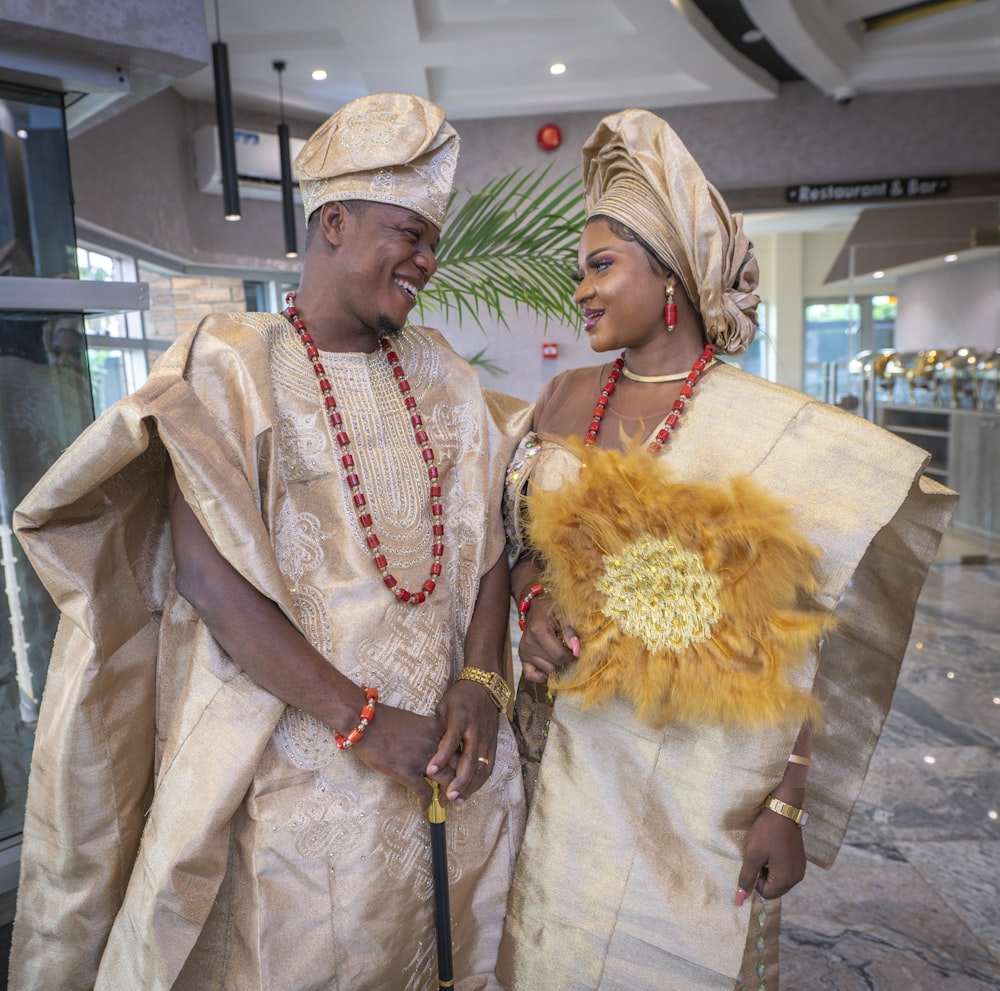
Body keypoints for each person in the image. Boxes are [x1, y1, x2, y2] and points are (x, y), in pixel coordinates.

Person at [9, 92, 532, 991]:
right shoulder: (232, 366)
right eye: (409, 233)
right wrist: (364, 723)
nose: (427, 262)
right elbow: (214, 583)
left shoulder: (442, 373)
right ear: (335, 221)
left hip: (453, 761)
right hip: (306, 771)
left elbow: (485, 538)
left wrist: (482, 682)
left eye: (433, 242)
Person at [495, 109, 958, 990]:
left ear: (668, 273)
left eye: (601, 266)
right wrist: (532, 604)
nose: (582, 290)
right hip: (555, 755)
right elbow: (516, 544)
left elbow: (803, 637)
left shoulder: (773, 432)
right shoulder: (561, 397)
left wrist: (787, 801)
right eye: (579, 270)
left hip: (693, 777)